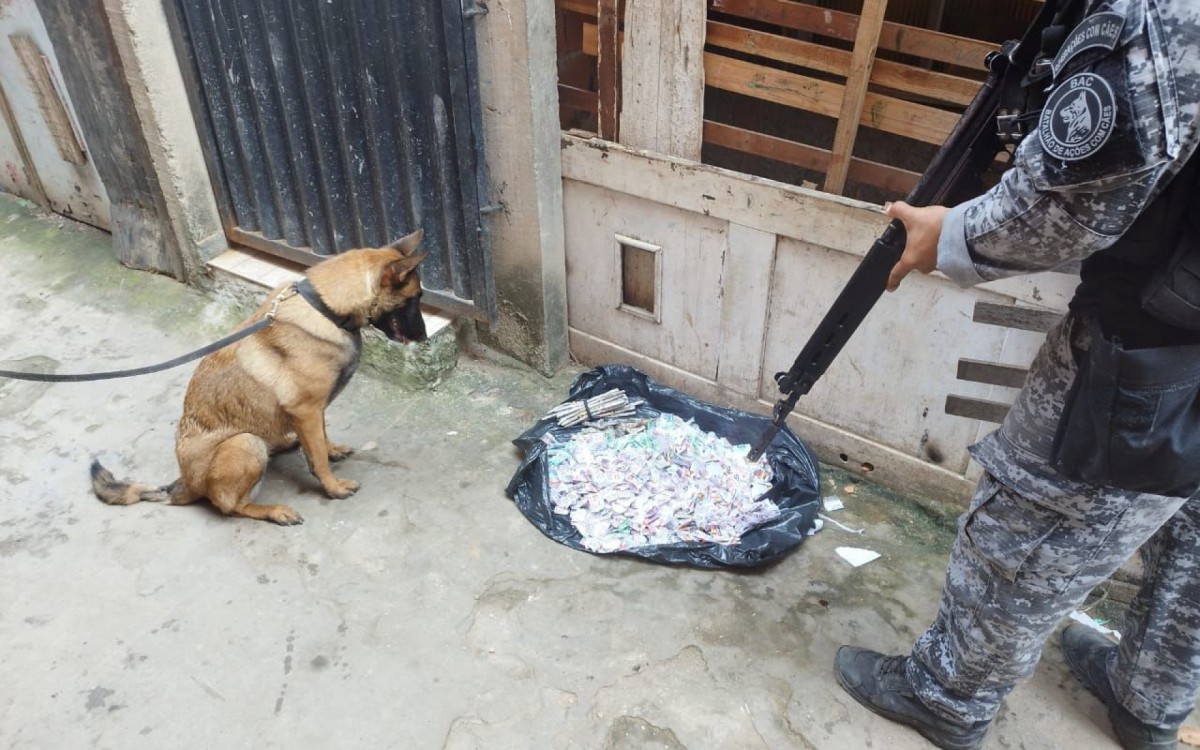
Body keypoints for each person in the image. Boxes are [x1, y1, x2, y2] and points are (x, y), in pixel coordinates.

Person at [833, 1, 1200, 749]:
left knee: (1030, 526)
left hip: (1145, 354)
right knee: (1193, 537)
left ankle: (947, 696)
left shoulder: (1165, 14)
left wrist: (954, 234)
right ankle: (1149, 700)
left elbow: (1064, 206)